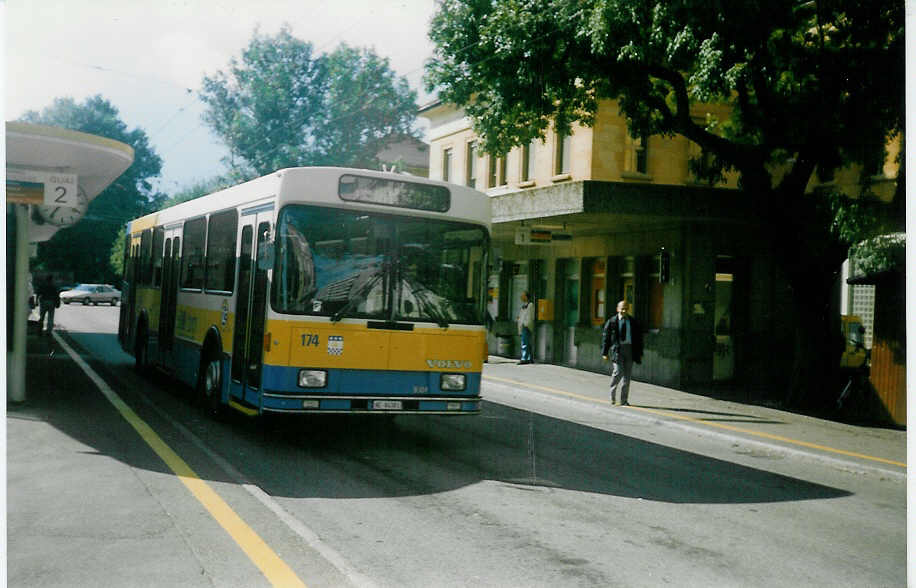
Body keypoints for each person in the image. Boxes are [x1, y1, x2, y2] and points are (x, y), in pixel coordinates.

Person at [601, 300, 643, 405]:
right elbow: (606, 337)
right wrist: (604, 352)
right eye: (622, 309)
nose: (624, 311)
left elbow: (639, 338)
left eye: (626, 309)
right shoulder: (612, 321)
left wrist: (639, 353)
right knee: (618, 372)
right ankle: (612, 396)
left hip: (630, 350)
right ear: (617, 309)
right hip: (618, 350)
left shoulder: (632, 322)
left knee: (627, 377)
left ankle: (624, 400)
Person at [516, 291, 535, 364]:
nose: (521, 297)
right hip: (523, 325)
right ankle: (530, 358)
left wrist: (526, 324)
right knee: (527, 342)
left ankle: (524, 358)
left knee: (524, 342)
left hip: (526, 326)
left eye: (523, 295)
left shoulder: (530, 305)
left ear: (526, 297)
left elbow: (530, 316)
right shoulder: (524, 305)